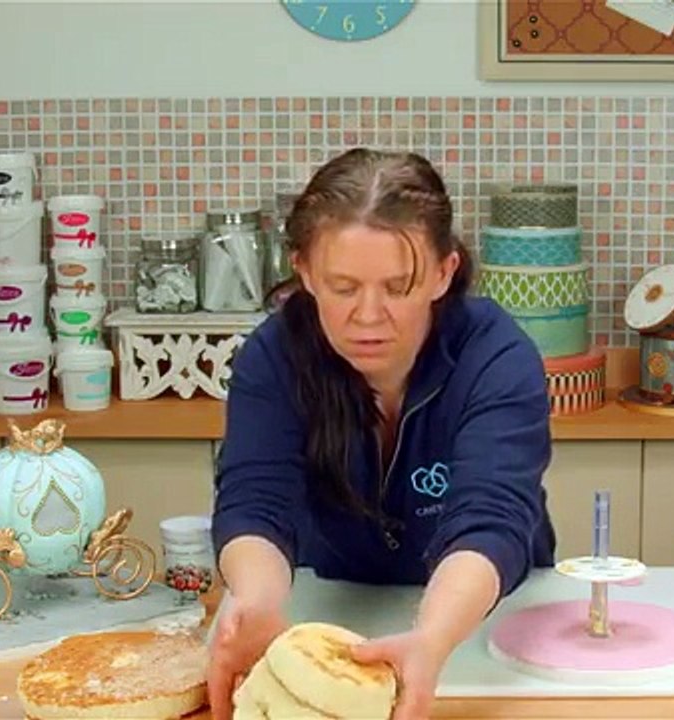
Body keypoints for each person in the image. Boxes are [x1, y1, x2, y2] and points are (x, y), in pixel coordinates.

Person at [207, 148, 557, 720]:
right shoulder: (273, 357)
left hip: (484, 624)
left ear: (444, 272)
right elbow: (254, 503)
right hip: (333, 614)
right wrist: (257, 602)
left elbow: (492, 517)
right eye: (343, 287)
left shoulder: (496, 355)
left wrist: (433, 639)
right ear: (304, 272)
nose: (369, 316)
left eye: (398, 287)